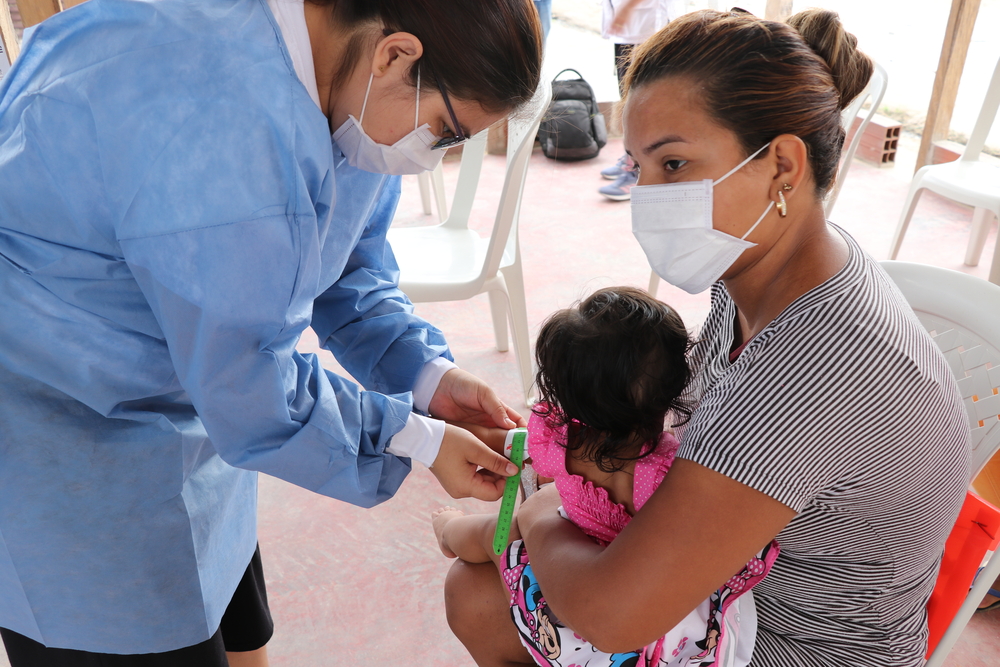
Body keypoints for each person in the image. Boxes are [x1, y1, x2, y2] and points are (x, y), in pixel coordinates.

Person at [0, 0, 541, 664]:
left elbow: (340, 264)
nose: (431, 155)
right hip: (65, 436)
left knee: (233, 619)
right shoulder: (211, 107)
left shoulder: (345, 88)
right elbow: (250, 383)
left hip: (194, 405)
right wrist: (415, 437)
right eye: (446, 131)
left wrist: (426, 379)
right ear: (395, 53)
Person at [444, 9, 972, 667]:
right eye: (639, 166)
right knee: (483, 582)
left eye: (673, 162)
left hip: (791, 643)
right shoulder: (766, 269)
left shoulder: (805, 379)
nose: (648, 195)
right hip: (742, 595)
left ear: (781, 164)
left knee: (477, 591)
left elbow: (612, 615)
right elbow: (701, 413)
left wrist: (540, 514)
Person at [433, 286, 778, 666]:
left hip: (554, 613)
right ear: (674, 388)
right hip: (644, 635)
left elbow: (531, 460)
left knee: (497, 534)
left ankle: (449, 530)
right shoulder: (669, 472)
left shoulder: (556, 439)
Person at [598, 0, 682, 202]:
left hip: (646, 24)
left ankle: (639, 169)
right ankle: (631, 158)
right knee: (628, 99)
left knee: (644, 106)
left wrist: (627, 7)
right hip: (628, 28)